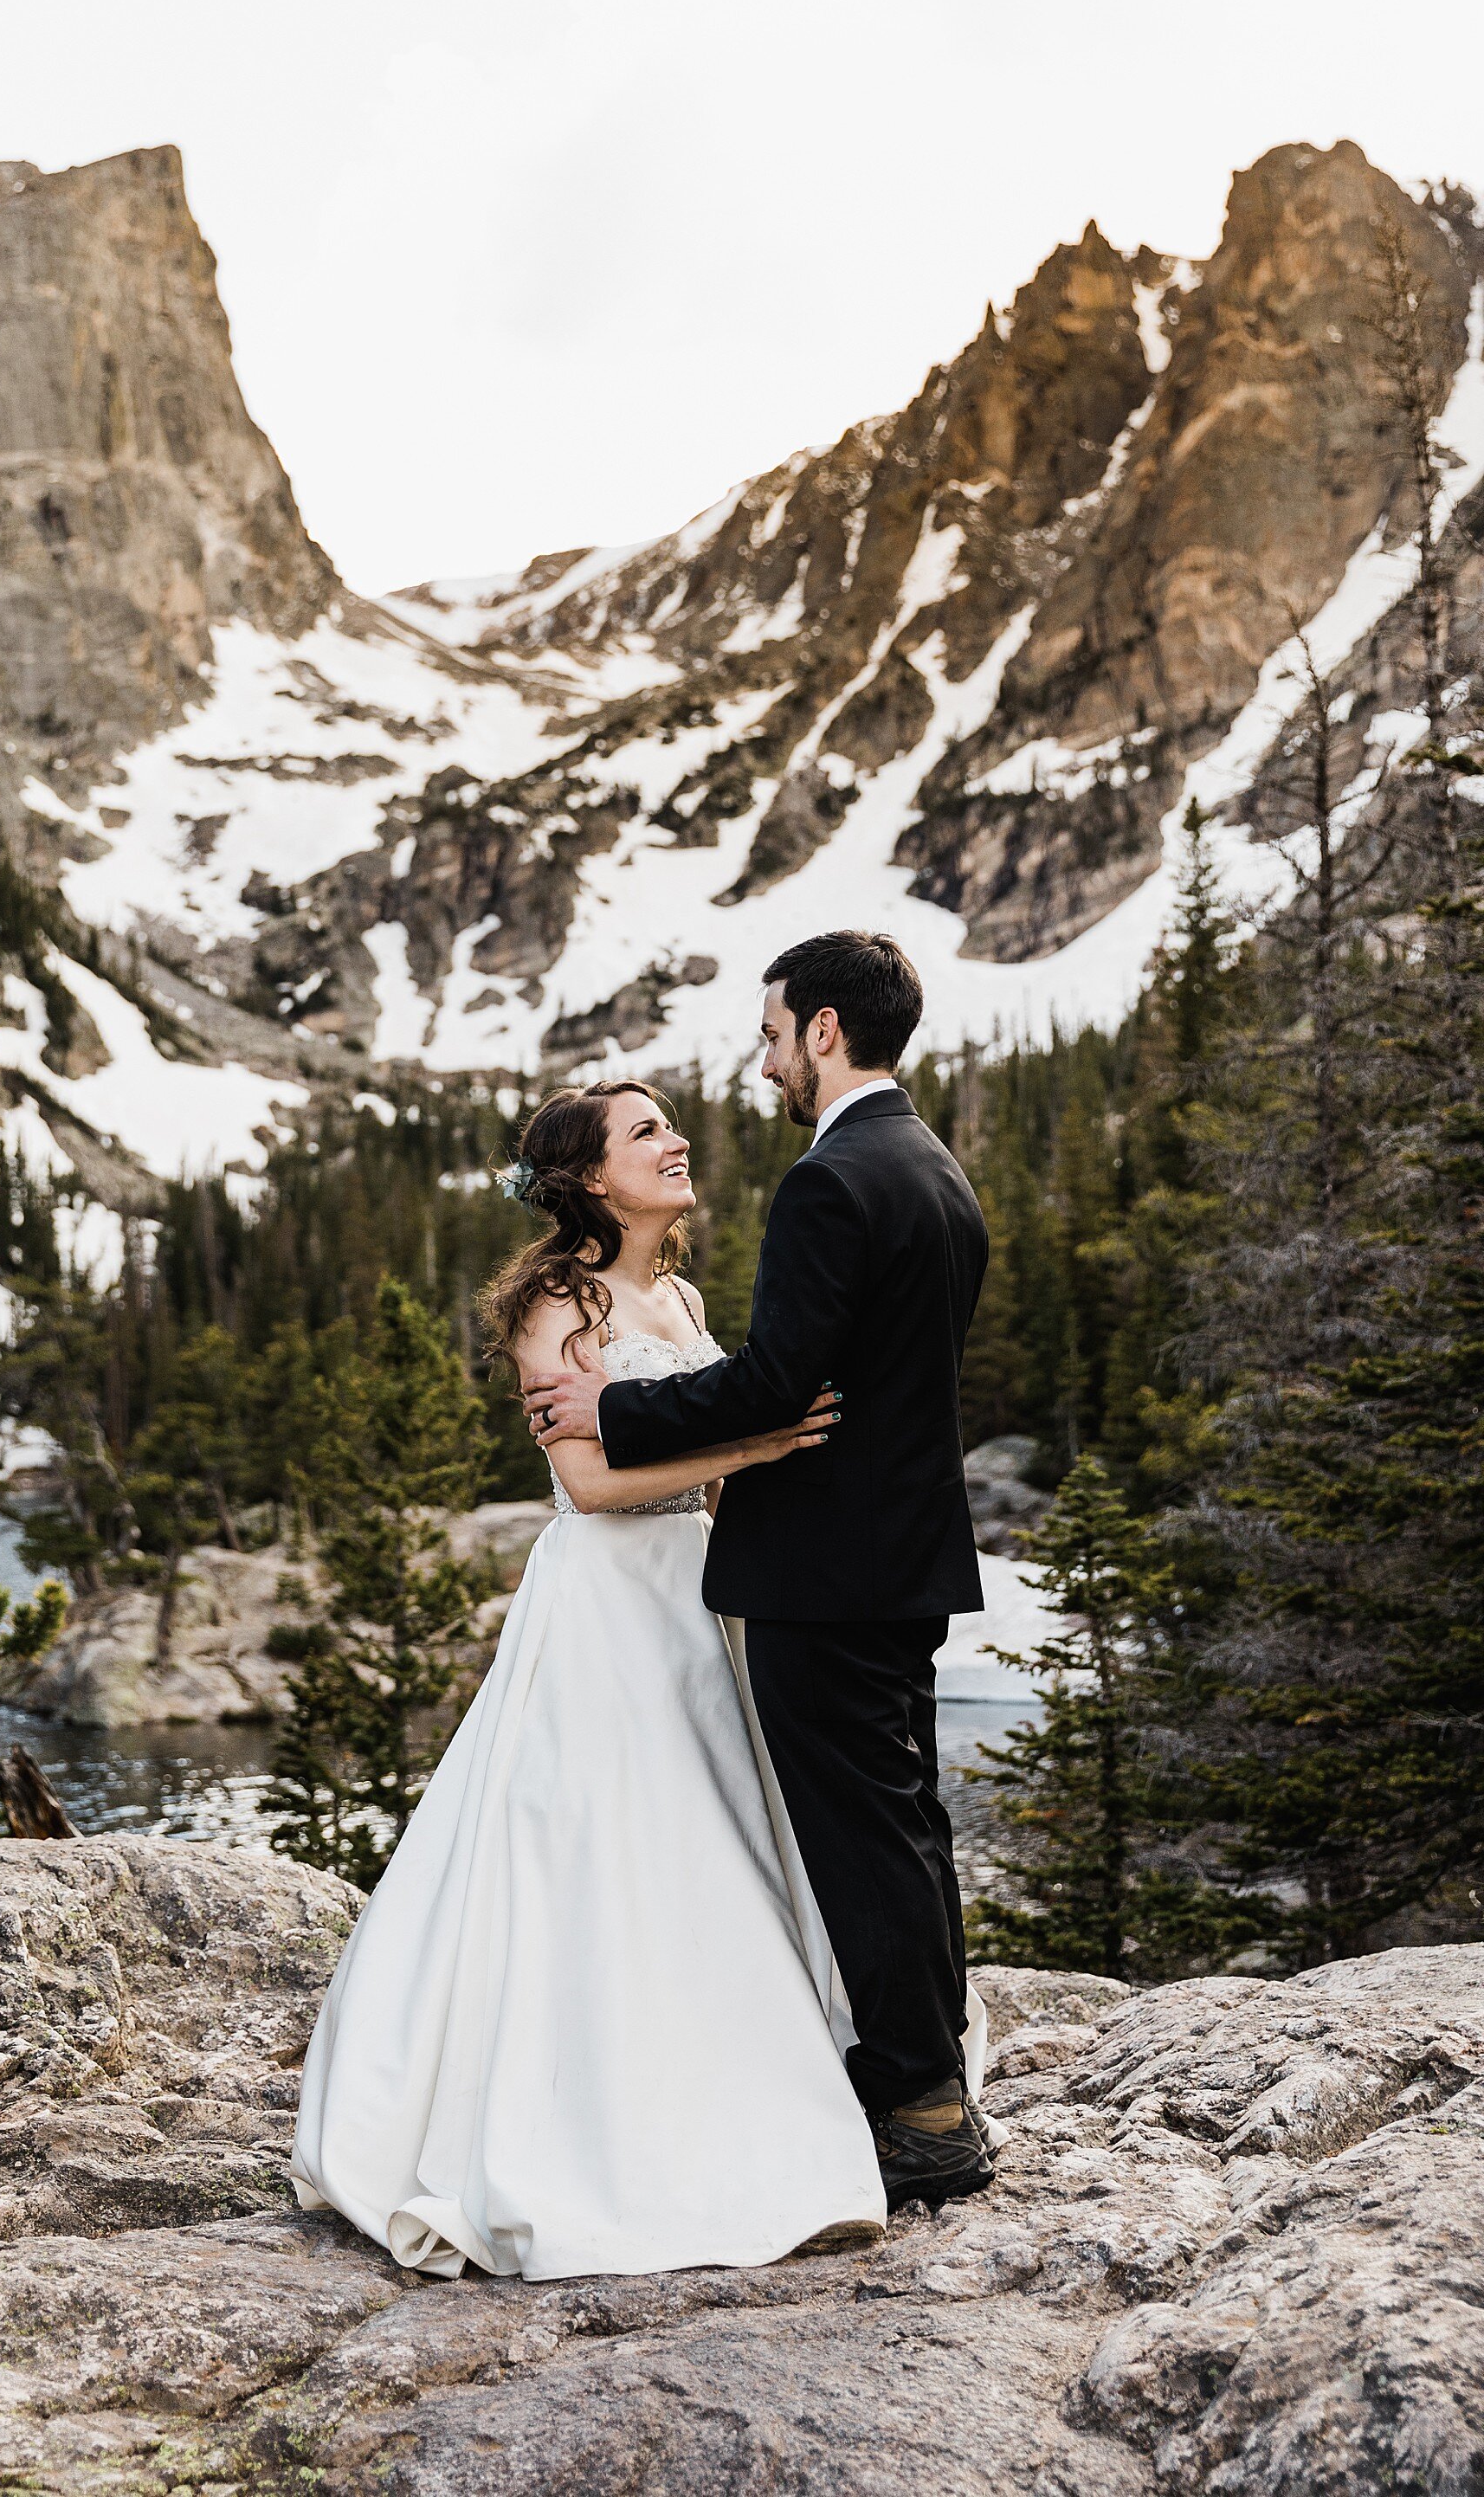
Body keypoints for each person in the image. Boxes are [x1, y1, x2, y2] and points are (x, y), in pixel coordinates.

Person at [290, 1074, 941, 2281]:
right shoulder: (556, 1301)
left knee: (729, 1843)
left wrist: (765, 1463)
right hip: (608, 1599)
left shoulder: (679, 1293)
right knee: (616, 1848)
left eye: (669, 1126)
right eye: (647, 1132)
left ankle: (762, 2069)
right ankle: (602, 2115)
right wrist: (754, 1444)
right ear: (590, 1177)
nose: (676, 1142)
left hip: (704, 1591)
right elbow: (587, 1485)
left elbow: (720, 1436)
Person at [526, 931, 993, 2211]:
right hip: (895, 1564)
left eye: (774, 1028)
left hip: (822, 1575)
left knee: (862, 1836)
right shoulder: (937, 1172)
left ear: (826, 1031)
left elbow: (788, 1381)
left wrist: (606, 1413)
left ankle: (920, 2105)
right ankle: (928, 2077)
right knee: (905, 1823)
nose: (766, 1054)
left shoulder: (834, 1180)